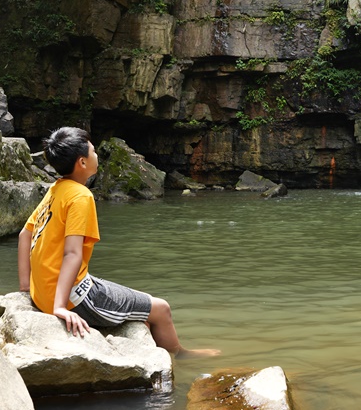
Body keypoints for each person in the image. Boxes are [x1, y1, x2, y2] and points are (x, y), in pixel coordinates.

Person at [17, 126, 219, 358]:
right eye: (93, 151)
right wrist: (60, 307)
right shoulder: (81, 196)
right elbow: (72, 254)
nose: (97, 155)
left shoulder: (56, 189)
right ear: (82, 162)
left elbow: (25, 234)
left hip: (46, 291)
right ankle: (181, 355)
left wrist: (27, 287)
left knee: (142, 309)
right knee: (161, 309)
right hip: (76, 297)